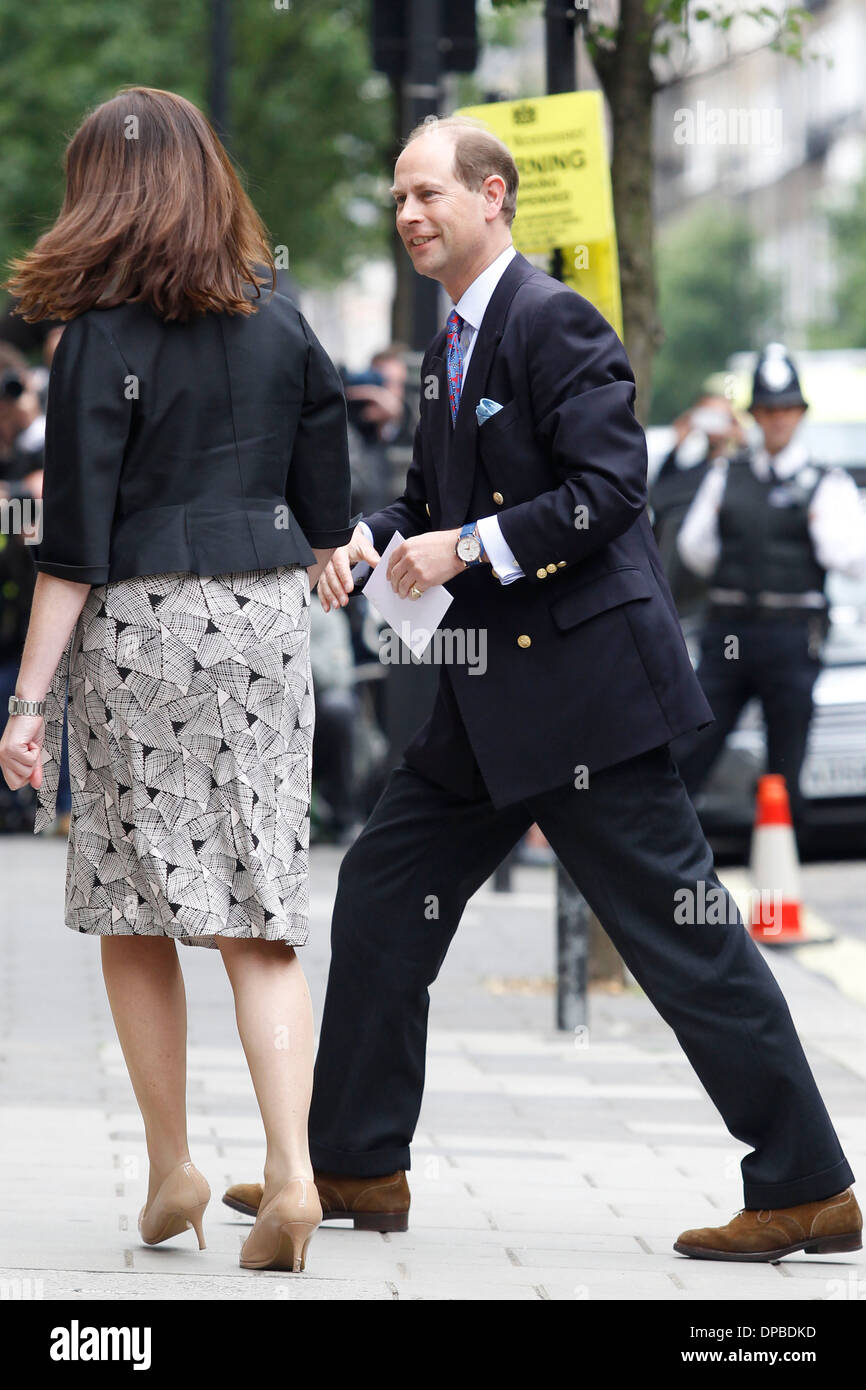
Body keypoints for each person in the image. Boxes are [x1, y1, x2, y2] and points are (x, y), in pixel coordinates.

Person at [223, 117, 860, 1263]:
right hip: (486, 705)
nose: (408, 214)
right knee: (380, 889)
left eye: (427, 195)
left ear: (493, 196)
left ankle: (806, 1183)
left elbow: (609, 491)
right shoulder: (445, 344)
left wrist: (464, 549)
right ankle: (360, 1162)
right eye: (398, 198)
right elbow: (426, 500)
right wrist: (370, 539)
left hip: (586, 699)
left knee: (681, 932)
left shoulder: (553, 318)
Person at [0, 86, 355, 1274]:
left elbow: (73, 544)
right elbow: (327, 510)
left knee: (131, 903)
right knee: (259, 912)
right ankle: (295, 1175)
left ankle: (172, 1169)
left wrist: (26, 701)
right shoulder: (282, 313)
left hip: (143, 624)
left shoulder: (96, 337)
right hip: (262, 621)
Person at [674, 344, 866, 837]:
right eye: (768, 410)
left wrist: (821, 529)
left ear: (799, 414)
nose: (777, 420)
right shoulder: (727, 475)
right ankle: (672, 850)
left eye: (786, 409)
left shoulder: (828, 483)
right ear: (755, 415)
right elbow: (696, 549)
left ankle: (780, 875)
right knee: (692, 750)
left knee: (786, 761)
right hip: (731, 631)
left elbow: (851, 558)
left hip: (791, 633)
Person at [649, 392, 744, 620]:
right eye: (707, 415)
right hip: (677, 591)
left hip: (722, 595)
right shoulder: (687, 475)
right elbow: (660, 499)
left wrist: (742, 441)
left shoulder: (740, 473)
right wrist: (678, 443)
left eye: (720, 417)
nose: (714, 425)